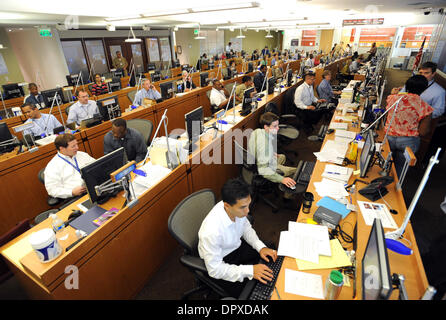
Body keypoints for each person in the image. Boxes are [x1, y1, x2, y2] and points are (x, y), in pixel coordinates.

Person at [198, 178, 278, 298]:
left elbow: (246, 229)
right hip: (221, 259)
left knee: (269, 251)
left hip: (236, 246)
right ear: (227, 206)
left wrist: (261, 247)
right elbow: (215, 270)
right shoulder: (211, 232)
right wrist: (250, 271)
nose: (248, 211)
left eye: (248, 205)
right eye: (243, 207)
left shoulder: (236, 208)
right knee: (250, 293)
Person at [384, 75, 433, 177]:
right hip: (408, 141)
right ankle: (395, 188)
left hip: (389, 136)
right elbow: (423, 131)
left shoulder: (392, 98)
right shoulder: (425, 106)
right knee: (400, 168)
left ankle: (380, 181)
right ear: (425, 89)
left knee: (384, 162)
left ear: (406, 86)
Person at [248, 112, 297, 189]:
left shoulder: (257, 131)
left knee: (282, 157)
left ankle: (280, 171)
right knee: (296, 171)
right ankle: (287, 195)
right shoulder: (265, 146)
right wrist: (282, 179)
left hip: (257, 160)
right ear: (266, 127)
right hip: (264, 168)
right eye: (274, 126)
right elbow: (263, 170)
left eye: (277, 125)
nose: (278, 128)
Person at [44, 133, 96, 199]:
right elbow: (52, 190)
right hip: (75, 197)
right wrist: (71, 192)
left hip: (93, 187)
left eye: (77, 144)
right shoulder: (52, 167)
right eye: (73, 146)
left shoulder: (82, 155)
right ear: (62, 148)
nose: (77, 147)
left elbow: (97, 166)